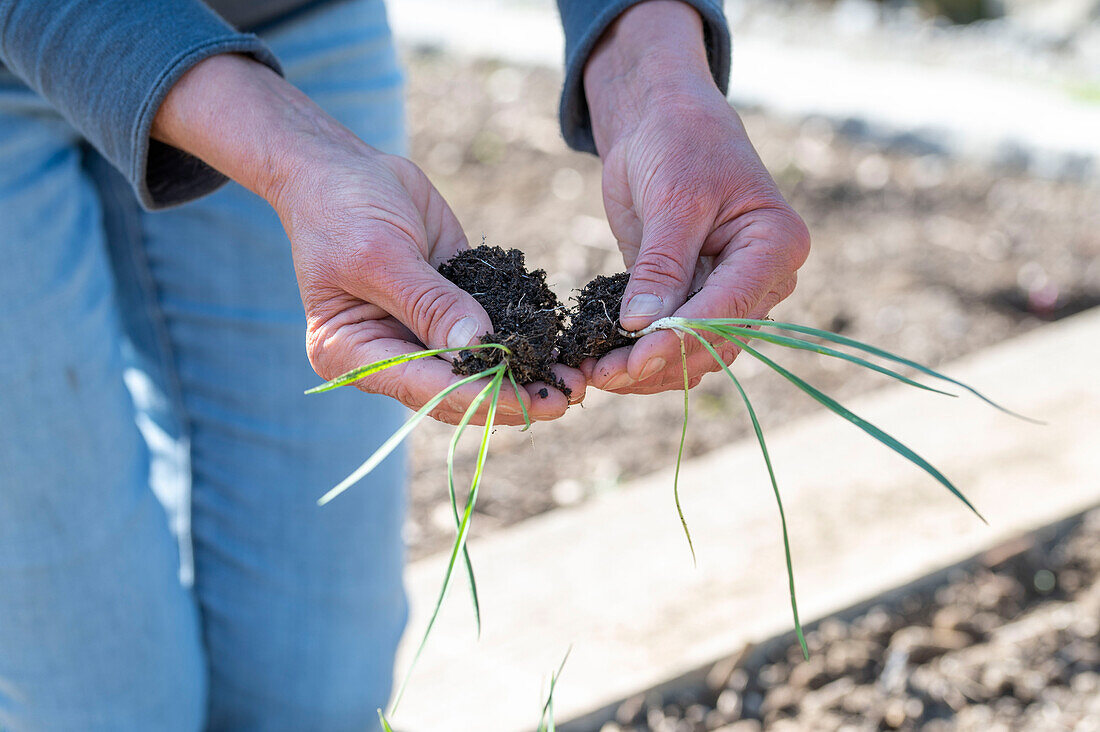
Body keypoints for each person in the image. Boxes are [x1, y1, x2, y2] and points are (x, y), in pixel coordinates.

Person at [0, 0, 808, 728]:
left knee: (318, 682)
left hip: (278, 22)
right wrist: (298, 155)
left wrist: (652, 68)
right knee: (101, 703)